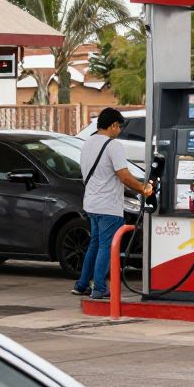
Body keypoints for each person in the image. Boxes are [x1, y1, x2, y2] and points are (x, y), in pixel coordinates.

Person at [72, 108, 152, 300]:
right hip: (108, 205)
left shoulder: (87, 142)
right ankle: (99, 288)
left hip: (91, 203)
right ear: (113, 125)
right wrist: (144, 189)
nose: (119, 132)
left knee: (95, 244)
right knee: (106, 247)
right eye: (119, 127)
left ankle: (82, 284)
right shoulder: (112, 145)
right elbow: (123, 175)